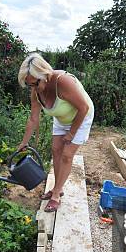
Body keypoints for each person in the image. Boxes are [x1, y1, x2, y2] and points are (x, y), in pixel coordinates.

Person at [17, 53, 94, 212]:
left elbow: (83, 108)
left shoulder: (63, 81)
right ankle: (56, 188)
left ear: (43, 75)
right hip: (61, 118)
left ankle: (56, 194)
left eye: (34, 84)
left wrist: (71, 133)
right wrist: (24, 142)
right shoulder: (36, 91)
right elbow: (33, 119)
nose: (32, 88)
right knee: (56, 150)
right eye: (29, 85)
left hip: (81, 117)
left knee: (67, 154)